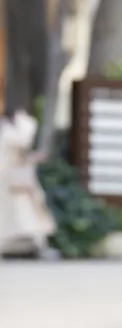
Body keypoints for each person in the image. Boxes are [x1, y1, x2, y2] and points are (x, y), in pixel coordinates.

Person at [0, 109, 55, 258]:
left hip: (18, 180)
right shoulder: (13, 133)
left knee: (28, 213)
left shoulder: (11, 132)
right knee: (20, 213)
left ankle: (37, 245)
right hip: (12, 181)